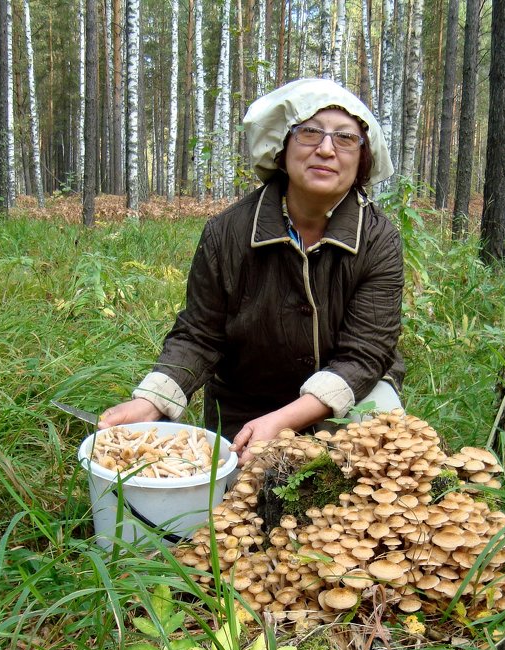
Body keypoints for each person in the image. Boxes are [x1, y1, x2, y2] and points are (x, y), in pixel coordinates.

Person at [99, 78, 405, 464]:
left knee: (375, 467)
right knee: (244, 501)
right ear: (282, 146)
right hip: (248, 405)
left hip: (352, 395)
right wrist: (151, 400)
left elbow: (365, 355)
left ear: (362, 158)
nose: (326, 149)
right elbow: (199, 334)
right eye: (309, 133)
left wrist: (287, 420)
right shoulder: (227, 232)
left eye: (345, 139)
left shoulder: (378, 240)